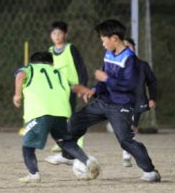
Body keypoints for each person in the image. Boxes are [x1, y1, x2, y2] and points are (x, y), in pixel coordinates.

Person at [46, 19, 161, 182]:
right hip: (104, 102)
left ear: (114, 38)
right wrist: (93, 90)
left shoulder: (130, 60)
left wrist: (106, 79)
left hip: (121, 105)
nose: (102, 44)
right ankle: (68, 156)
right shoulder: (109, 54)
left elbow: (128, 85)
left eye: (103, 40)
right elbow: (103, 80)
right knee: (75, 121)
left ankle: (150, 171)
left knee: (125, 141)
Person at [13, 51, 100, 183]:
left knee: (28, 145)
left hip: (40, 113)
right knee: (65, 141)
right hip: (61, 113)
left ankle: (33, 174)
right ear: (52, 63)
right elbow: (75, 87)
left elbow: (20, 76)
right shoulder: (58, 73)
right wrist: (90, 92)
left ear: (32, 62)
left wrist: (17, 95)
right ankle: (87, 161)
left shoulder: (30, 68)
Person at [48, 21, 88, 153]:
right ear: (51, 35)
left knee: (68, 114)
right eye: (54, 33)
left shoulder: (71, 49)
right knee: (58, 116)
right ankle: (62, 142)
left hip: (71, 88)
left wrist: (82, 85)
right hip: (56, 89)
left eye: (60, 33)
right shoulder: (49, 52)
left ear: (66, 34)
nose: (57, 36)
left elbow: (81, 67)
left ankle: (77, 140)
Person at [121, 37, 157, 167]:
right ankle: (128, 149)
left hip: (137, 101)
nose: (127, 48)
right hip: (120, 101)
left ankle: (127, 153)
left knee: (131, 126)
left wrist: (152, 98)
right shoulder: (116, 65)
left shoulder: (142, 65)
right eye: (124, 46)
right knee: (124, 127)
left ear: (134, 48)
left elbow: (152, 82)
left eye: (129, 46)